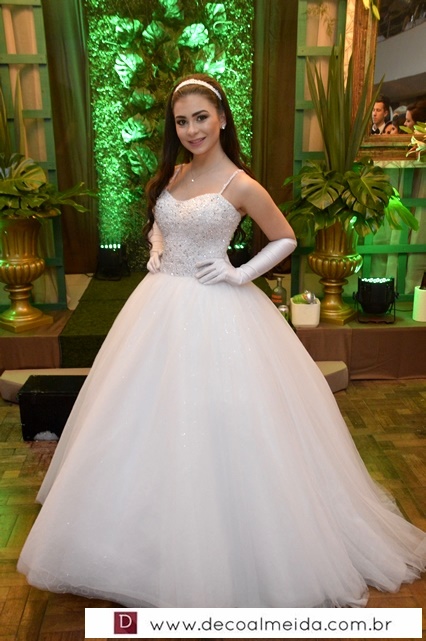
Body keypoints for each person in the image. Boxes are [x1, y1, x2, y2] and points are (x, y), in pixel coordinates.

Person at [17, 74, 426, 608]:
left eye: (201, 118)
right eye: (181, 121)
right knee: (141, 416)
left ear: (222, 119)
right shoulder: (175, 174)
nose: (191, 130)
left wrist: (239, 273)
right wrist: (158, 245)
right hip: (159, 305)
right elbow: (163, 219)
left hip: (218, 306)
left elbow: (285, 238)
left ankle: (227, 542)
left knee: (223, 418)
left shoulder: (241, 184)